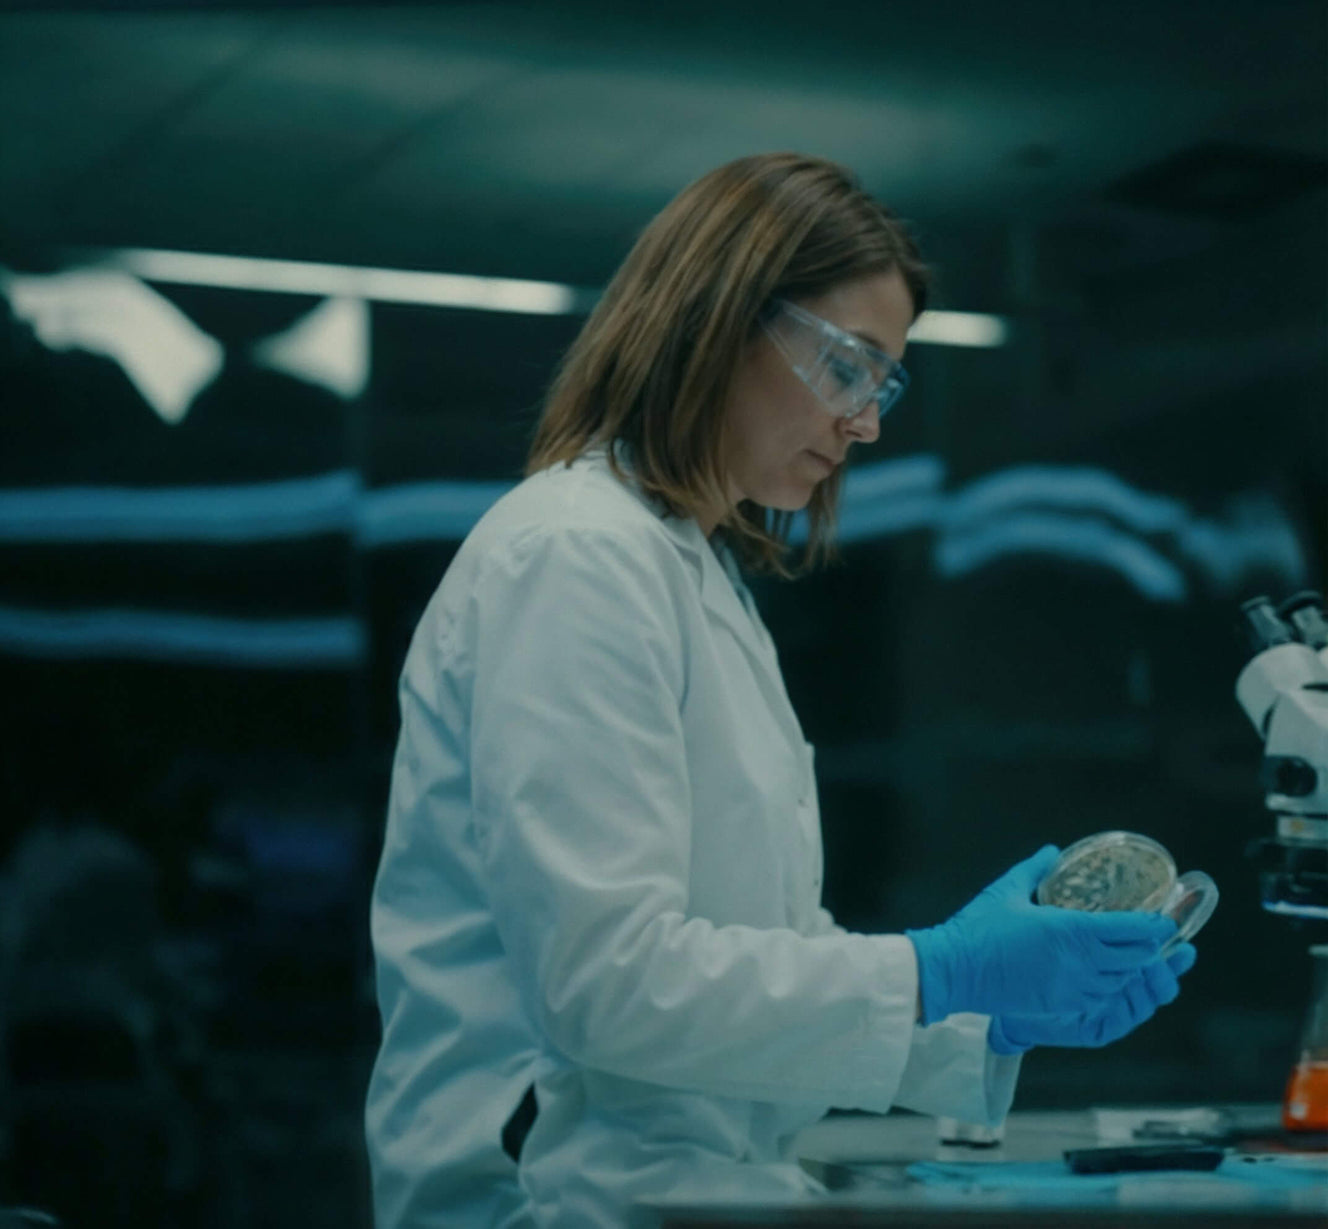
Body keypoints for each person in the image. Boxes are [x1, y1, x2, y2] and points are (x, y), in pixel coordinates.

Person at [364, 152, 1196, 1229]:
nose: (866, 423)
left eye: (883, 383)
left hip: (682, 1190)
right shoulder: (573, 555)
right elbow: (604, 983)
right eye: (848, 367)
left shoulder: (692, 571)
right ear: (717, 318)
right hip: (550, 1199)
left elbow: (759, 969)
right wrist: (934, 970)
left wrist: (986, 1015)